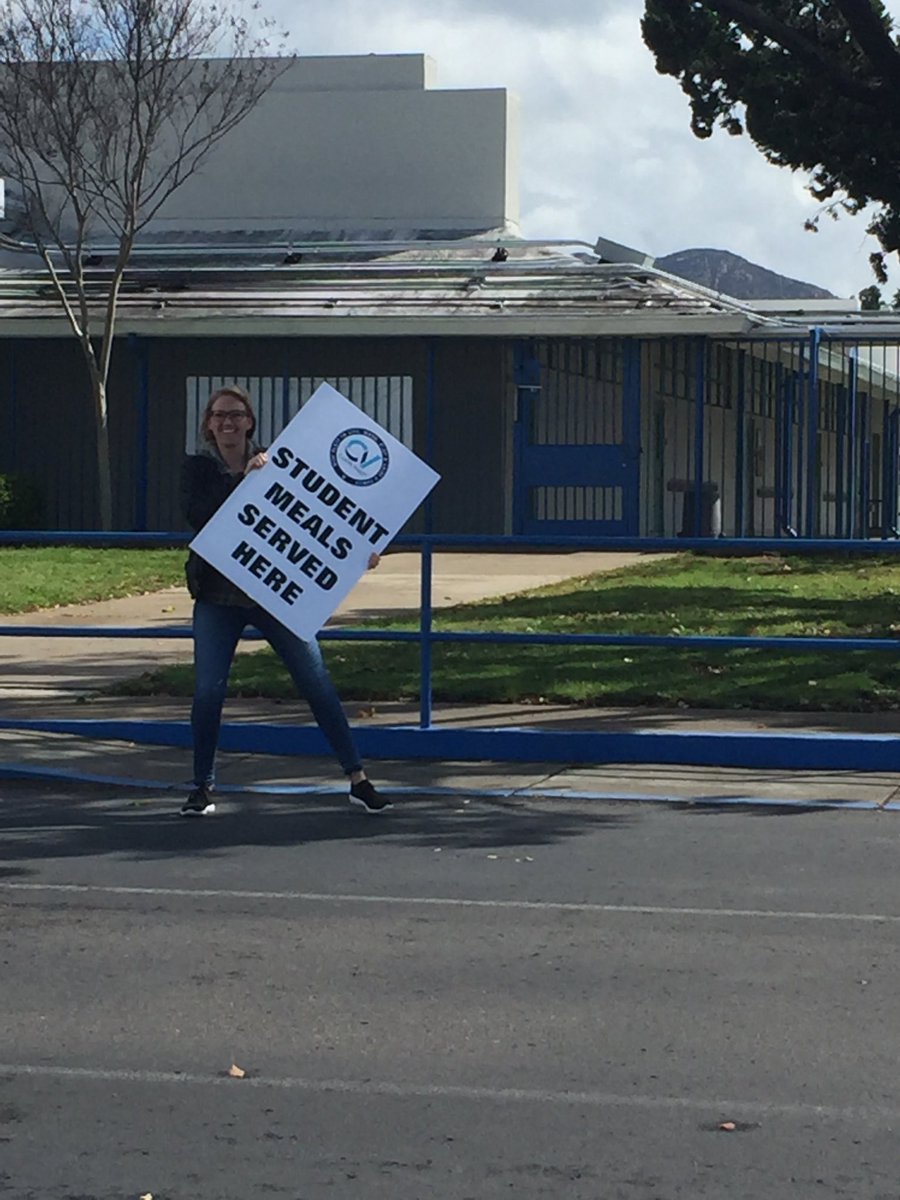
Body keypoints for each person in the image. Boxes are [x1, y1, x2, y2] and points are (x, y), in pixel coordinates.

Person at [179, 384, 391, 817]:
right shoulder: (199, 469)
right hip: (218, 597)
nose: (227, 423)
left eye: (235, 415)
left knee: (317, 684)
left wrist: (357, 551)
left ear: (250, 420)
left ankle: (357, 778)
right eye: (219, 416)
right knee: (207, 691)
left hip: (277, 596)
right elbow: (199, 515)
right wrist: (244, 479)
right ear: (208, 423)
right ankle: (202, 785)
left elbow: (323, 511)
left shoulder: (283, 462)